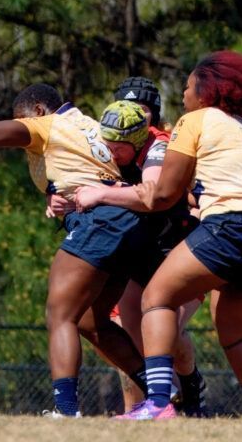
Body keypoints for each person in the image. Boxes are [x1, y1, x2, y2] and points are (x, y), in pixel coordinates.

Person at [0, 84, 150, 418]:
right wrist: (58, 195)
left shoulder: (47, 125)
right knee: (92, 321)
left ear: (39, 111)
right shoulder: (87, 124)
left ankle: (67, 409)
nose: (23, 136)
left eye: (23, 121)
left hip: (98, 222)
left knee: (60, 315)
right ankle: (163, 392)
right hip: (128, 224)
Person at [115, 51, 242, 420]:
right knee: (233, 328)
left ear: (207, 90)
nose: (183, 92)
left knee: (156, 298)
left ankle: (158, 403)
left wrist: (101, 194)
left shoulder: (194, 119)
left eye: (188, 85)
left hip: (233, 224)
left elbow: (163, 194)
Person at [65, 98, 207, 416]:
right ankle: (161, 398)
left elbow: (152, 195)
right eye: (108, 142)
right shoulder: (114, 151)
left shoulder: (157, 148)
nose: (111, 150)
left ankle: (185, 395)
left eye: (118, 145)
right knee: (132, 322)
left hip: (182, 248)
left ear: (137, 138)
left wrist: (101, 194)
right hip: (146, 252)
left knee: (163, 329)